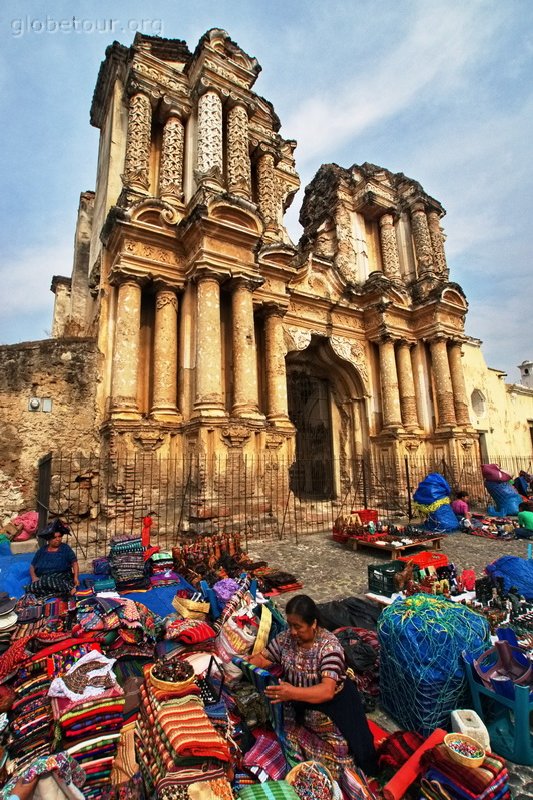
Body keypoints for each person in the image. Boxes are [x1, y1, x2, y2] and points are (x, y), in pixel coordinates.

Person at [248, 594, 377, 778]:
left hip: (333, 710)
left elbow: (326, 691)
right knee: (282, 741)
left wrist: (291, 692)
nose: (292, 631)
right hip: (300, 707)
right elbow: (264, 657)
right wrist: (248, 663)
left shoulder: (329, 647)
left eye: (298, 626)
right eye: (290, 625)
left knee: (341, 768)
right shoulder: (287, 639)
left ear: (313, 624)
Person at [28, 521, 79, 596]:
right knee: (32, 587)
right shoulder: (42, 550)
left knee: (48, 581)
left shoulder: (65, 548)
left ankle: (69, 588)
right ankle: (60, 592)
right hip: (44, 578)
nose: (58, 539)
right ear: (48, 539)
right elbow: (32, 566)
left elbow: (74, 563)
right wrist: (34, 577)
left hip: (62, 577)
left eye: (59, 536)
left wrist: (76, 578)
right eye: (55, 537)